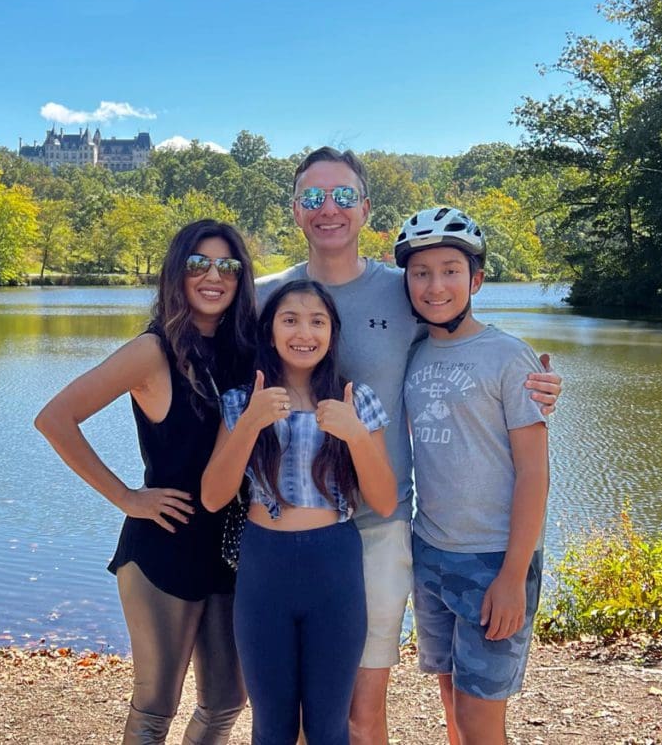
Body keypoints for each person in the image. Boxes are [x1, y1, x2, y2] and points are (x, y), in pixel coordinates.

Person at [254, 147, 562, 745]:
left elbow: (474, 345)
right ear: (294, 210)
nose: (329, 210)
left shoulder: (405, 289)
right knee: (292, 719)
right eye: (312, 197)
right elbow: (201, 357)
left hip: (380, 526)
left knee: (361, 717)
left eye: (343, 196)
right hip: (292, 533)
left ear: (365, 207)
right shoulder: (268, 295)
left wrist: (540, 386)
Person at [34, 219, 255, 744]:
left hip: (229, 550)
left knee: (226, 701)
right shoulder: (152, 351)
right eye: (198, 264)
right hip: (163, 547)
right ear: (176, 273)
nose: (213, 276)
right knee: (156, 705)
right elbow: (55, 418)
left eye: (228, 266)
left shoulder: (243, 352)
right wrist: (126, 497)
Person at [201, 279, 397, 745]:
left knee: (330, 727)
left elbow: (386, 500)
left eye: (317, 321)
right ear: (270, 331)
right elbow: (212, 496)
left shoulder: (356, 400)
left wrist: (353, 434)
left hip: (334, 566)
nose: (303, 332)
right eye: (290, 320)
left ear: (332, 333)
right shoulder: (239, 400)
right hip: (264, 566)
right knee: (272, 727)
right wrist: (250, 422)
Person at [395, 206, 549, 745]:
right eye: (421, 272)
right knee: (452, 703)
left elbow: (534, 473)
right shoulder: (411, 354)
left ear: (476, 279)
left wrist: (512, 577)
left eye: (450, 270)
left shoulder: (508, 356)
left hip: (494, 559)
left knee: (483, 721)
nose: (435, 285)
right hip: (431, 551)